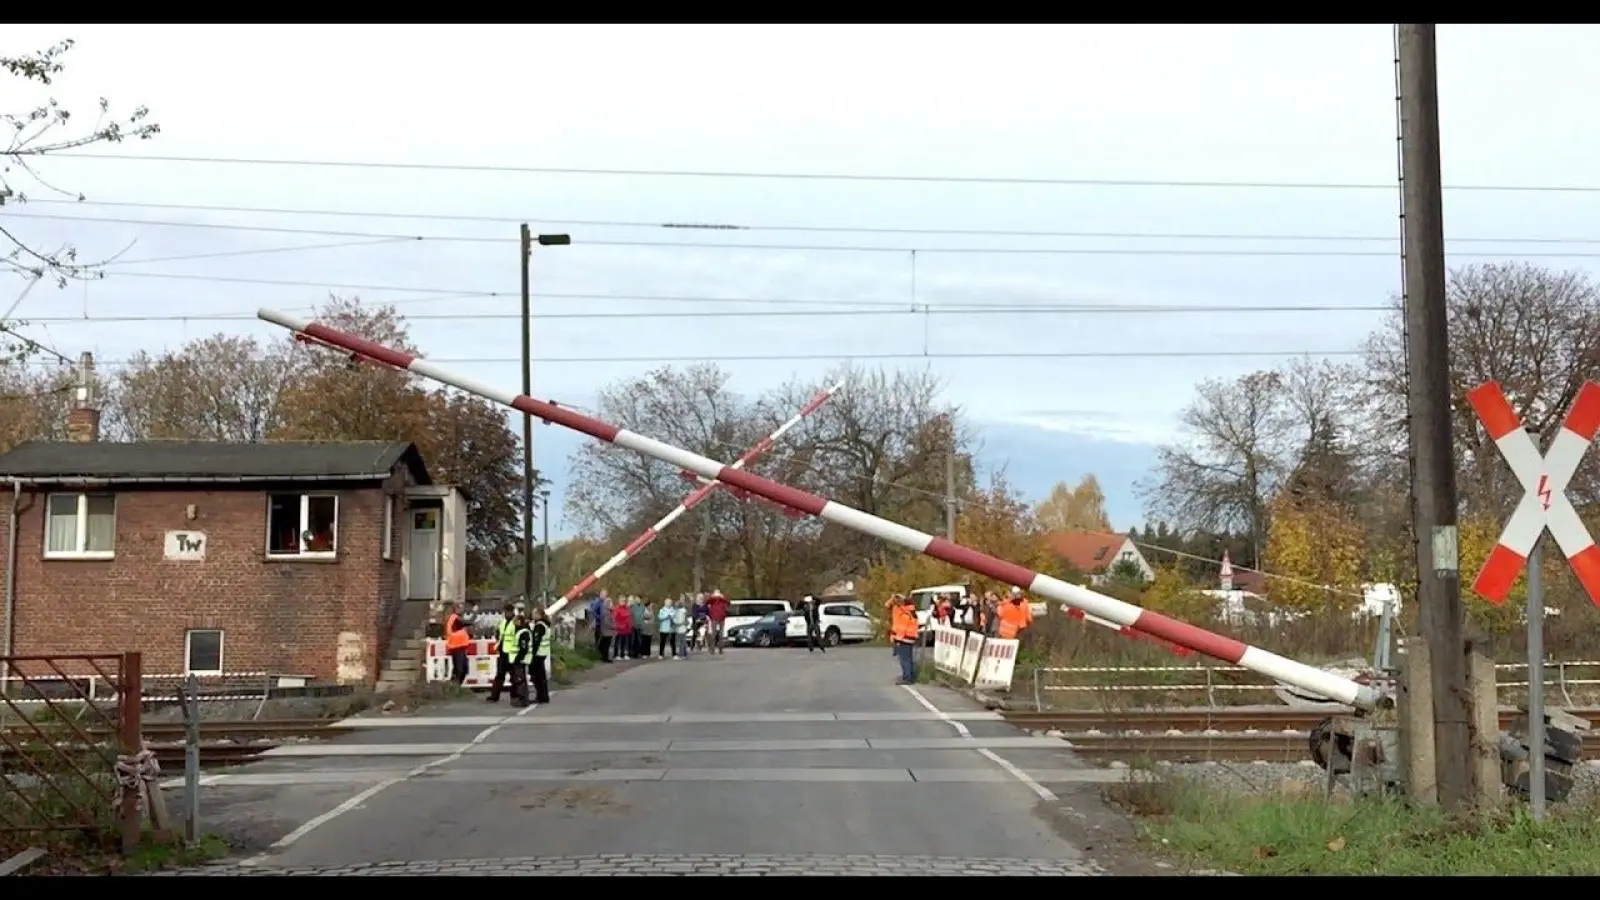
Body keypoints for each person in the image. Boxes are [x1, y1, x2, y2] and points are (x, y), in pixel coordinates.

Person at [486, 602, 518, 703]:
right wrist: (497, 638)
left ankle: (515, 695)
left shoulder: (516, 622)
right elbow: (499, 633)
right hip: (503, 652)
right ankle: (494, 696)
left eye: (507, 612)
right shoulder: (503, 621)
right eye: (505, 612)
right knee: (499, 675)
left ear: (511, 612)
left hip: (512, 653)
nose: (506, 614)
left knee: (514, 676)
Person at [889, 593, 920, 685]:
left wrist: (898, 641)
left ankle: (907, 678)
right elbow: (888, 605)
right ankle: (909, 676)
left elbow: (902, 629)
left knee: (904, 659)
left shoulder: (904, 614)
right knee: (908, 659)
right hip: (910, 638)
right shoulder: (911, 613)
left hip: (904, 639)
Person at [528, 606, 553, 705]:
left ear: (539, 615)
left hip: (538, 654)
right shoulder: (544, 624)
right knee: (541, 676)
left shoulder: (540, 626)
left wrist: (531, 654)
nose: (532, 615)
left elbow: (536, 641)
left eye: (534, 613)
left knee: (537, 676)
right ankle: (543, 696)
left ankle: (541, 696)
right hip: (543, 653)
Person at [443, 601, 472, 685]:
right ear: (455, 609)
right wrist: (475, 612)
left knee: (463, 669)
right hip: (456, 647)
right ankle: (455, 686)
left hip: (460, 647)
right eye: (459, 608)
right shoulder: (455, 618)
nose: (461, 610)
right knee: (460, 669)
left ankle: (456, 686)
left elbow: (461, 630)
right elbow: (469, 622)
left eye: (461, 608)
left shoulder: (455, 618)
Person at [508, 610, 532, 707]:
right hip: (517, 659)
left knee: (520, 680)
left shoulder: (523, 632)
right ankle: (521, 699)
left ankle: (523, 700)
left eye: (516, 621)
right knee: (519, 680)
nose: (514, 622)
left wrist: (518, 659)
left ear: (520, 622)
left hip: (520, 660)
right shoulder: (518, 631)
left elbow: (523, 648)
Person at [705, 590, 729, 655]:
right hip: (718, 617)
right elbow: (707, 602)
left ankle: (715, 650)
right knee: (718, 634)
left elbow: (727, 602)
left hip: (718, 618)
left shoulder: (720, 600)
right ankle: (717, 650)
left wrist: (719, 597)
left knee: (716, 634)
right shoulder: (714, 600)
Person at [597, 595, 617, 662]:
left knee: (605, 645)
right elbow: (606, 622)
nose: (612, 604)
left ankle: (604, 657)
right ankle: (605, 658)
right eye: (610, 603)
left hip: (607, 631)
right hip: (607, 631)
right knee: (605, 645)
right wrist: (613, 626)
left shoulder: (609, 611)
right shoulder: (606, 612)